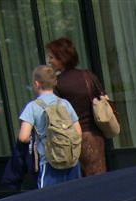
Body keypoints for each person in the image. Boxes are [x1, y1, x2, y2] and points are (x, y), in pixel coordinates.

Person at [46, 37, 107, 176]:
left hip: (69, 138)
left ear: (62, 57)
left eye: (52, 57)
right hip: (94, 134)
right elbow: (104, 98)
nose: (49, 61)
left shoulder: (57, 83)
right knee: (98, 175)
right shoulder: (87, 75)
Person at [18, 65, 81, 188]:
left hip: (49, 162)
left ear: (36, 84)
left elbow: (23, 137)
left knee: (48, 200)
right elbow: (78, 132)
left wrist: (34, 139)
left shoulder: (32, 107)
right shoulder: (65, 103)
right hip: (72, 160)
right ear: (55, 82)